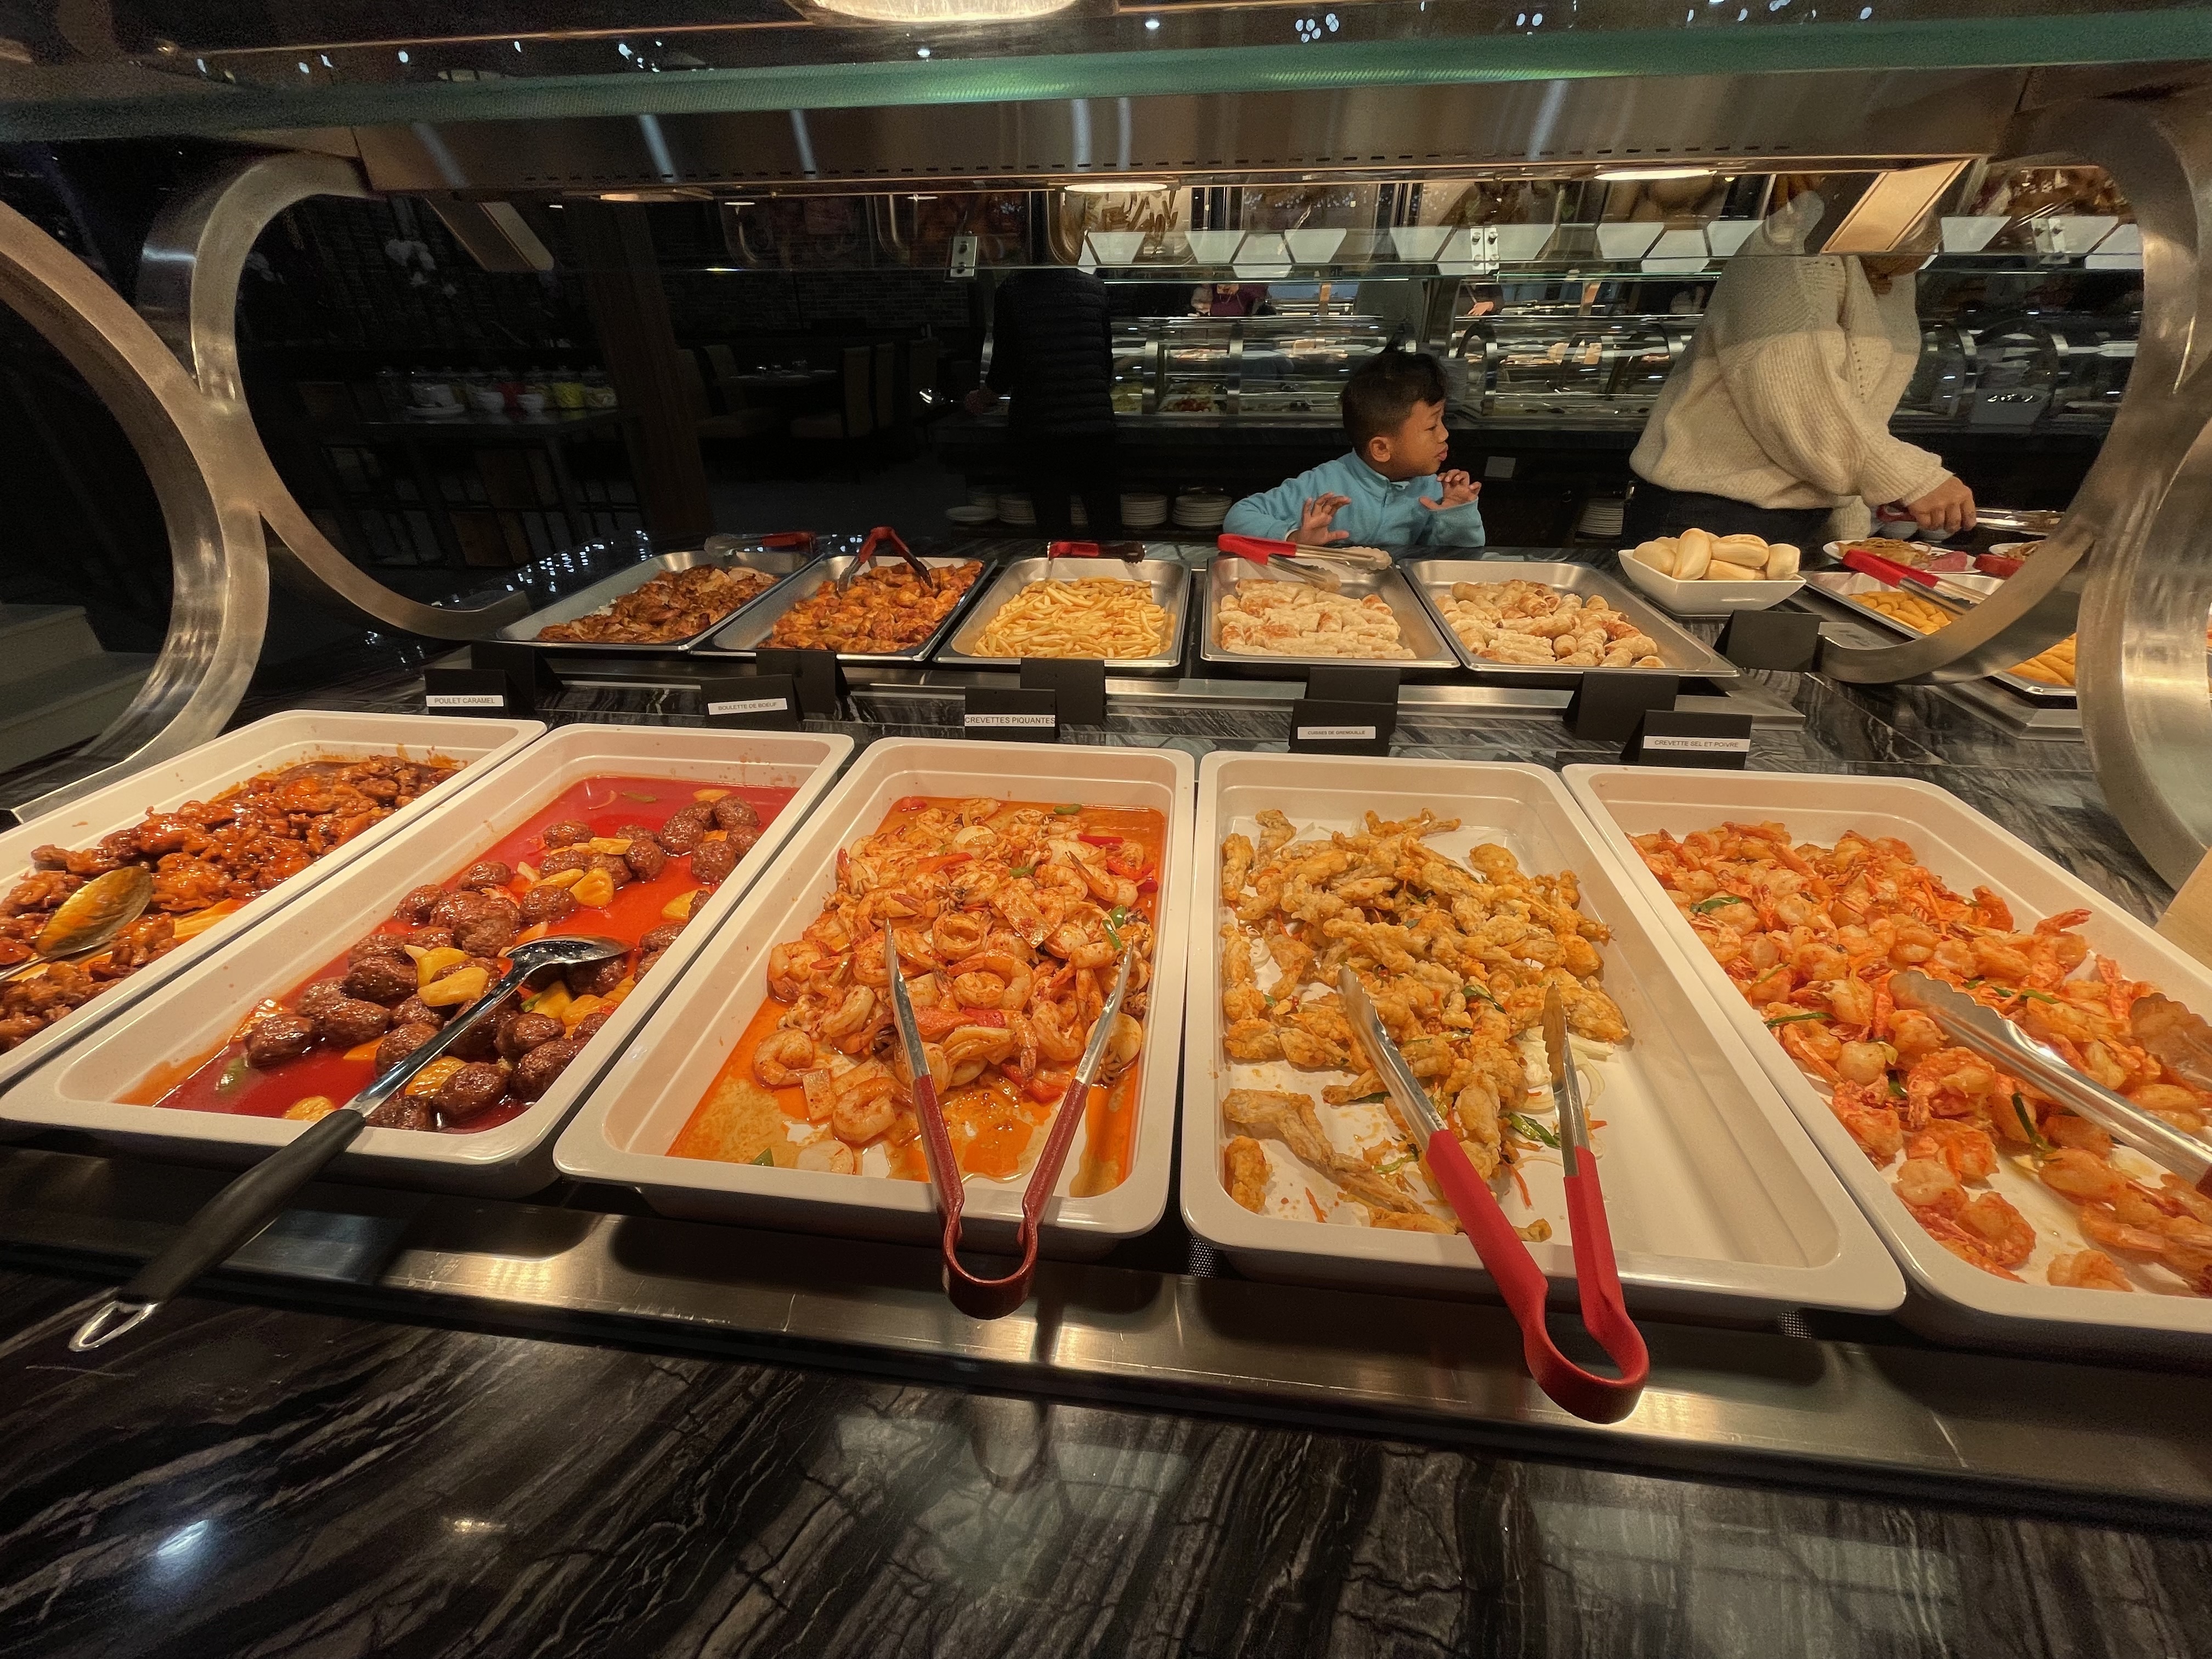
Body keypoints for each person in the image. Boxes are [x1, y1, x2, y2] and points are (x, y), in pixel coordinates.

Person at [1624, 185, 1976, 549]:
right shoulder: (1797, 245)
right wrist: (1910, 477)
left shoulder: (1891, 263)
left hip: (1803, 515)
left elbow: (1858, 398)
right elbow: (1797, 395)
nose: (1931, 235)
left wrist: (1848, 516)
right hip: (1712, 510)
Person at [1222, 348, 1485, 553]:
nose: (1444, 434)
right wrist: (1296, 538)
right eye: (1432, 426)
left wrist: (1457, 513)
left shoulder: (1432, 489)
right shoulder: (1324, 483)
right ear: (1381, 448)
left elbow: (1453, 560)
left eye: (1442, 421)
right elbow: (1239, 516)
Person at [964, 267, 1120, 538]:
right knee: (1105, 524)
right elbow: (1105, 362)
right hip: (1095, 428)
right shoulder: (1095, 288)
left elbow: (1003, 367)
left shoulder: (1012, 290)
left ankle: (1058, 566)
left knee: (1055, 527)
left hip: (1040, 428)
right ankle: (1112, 564)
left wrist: (982, 398)